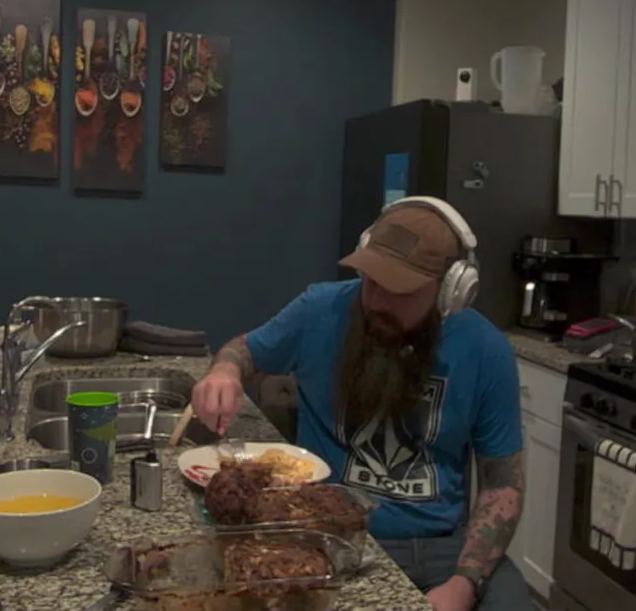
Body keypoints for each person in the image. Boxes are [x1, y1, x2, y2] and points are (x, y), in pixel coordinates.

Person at [191, 197, 531, 611]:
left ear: (449, 290)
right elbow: (243, 350)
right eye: (371, 281)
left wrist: (465, 582)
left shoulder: (487, 350)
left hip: (443, 547)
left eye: (399, 290)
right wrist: (225, 371)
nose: (377, 301)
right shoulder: (321, 309)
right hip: (326, 534)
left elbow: (502, 484)